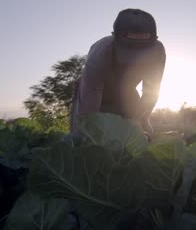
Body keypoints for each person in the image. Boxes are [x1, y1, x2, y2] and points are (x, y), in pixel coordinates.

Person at [70, 8, 166, 136]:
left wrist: (138, 122)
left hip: (127, 93)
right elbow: (88, 112)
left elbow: (151, 92)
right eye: (130, 52)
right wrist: (85, 134)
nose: (135, 60)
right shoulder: (100, 53)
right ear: (115, 38)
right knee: (83, 134)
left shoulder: (158, 51)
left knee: (142, 133)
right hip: (93, 92)